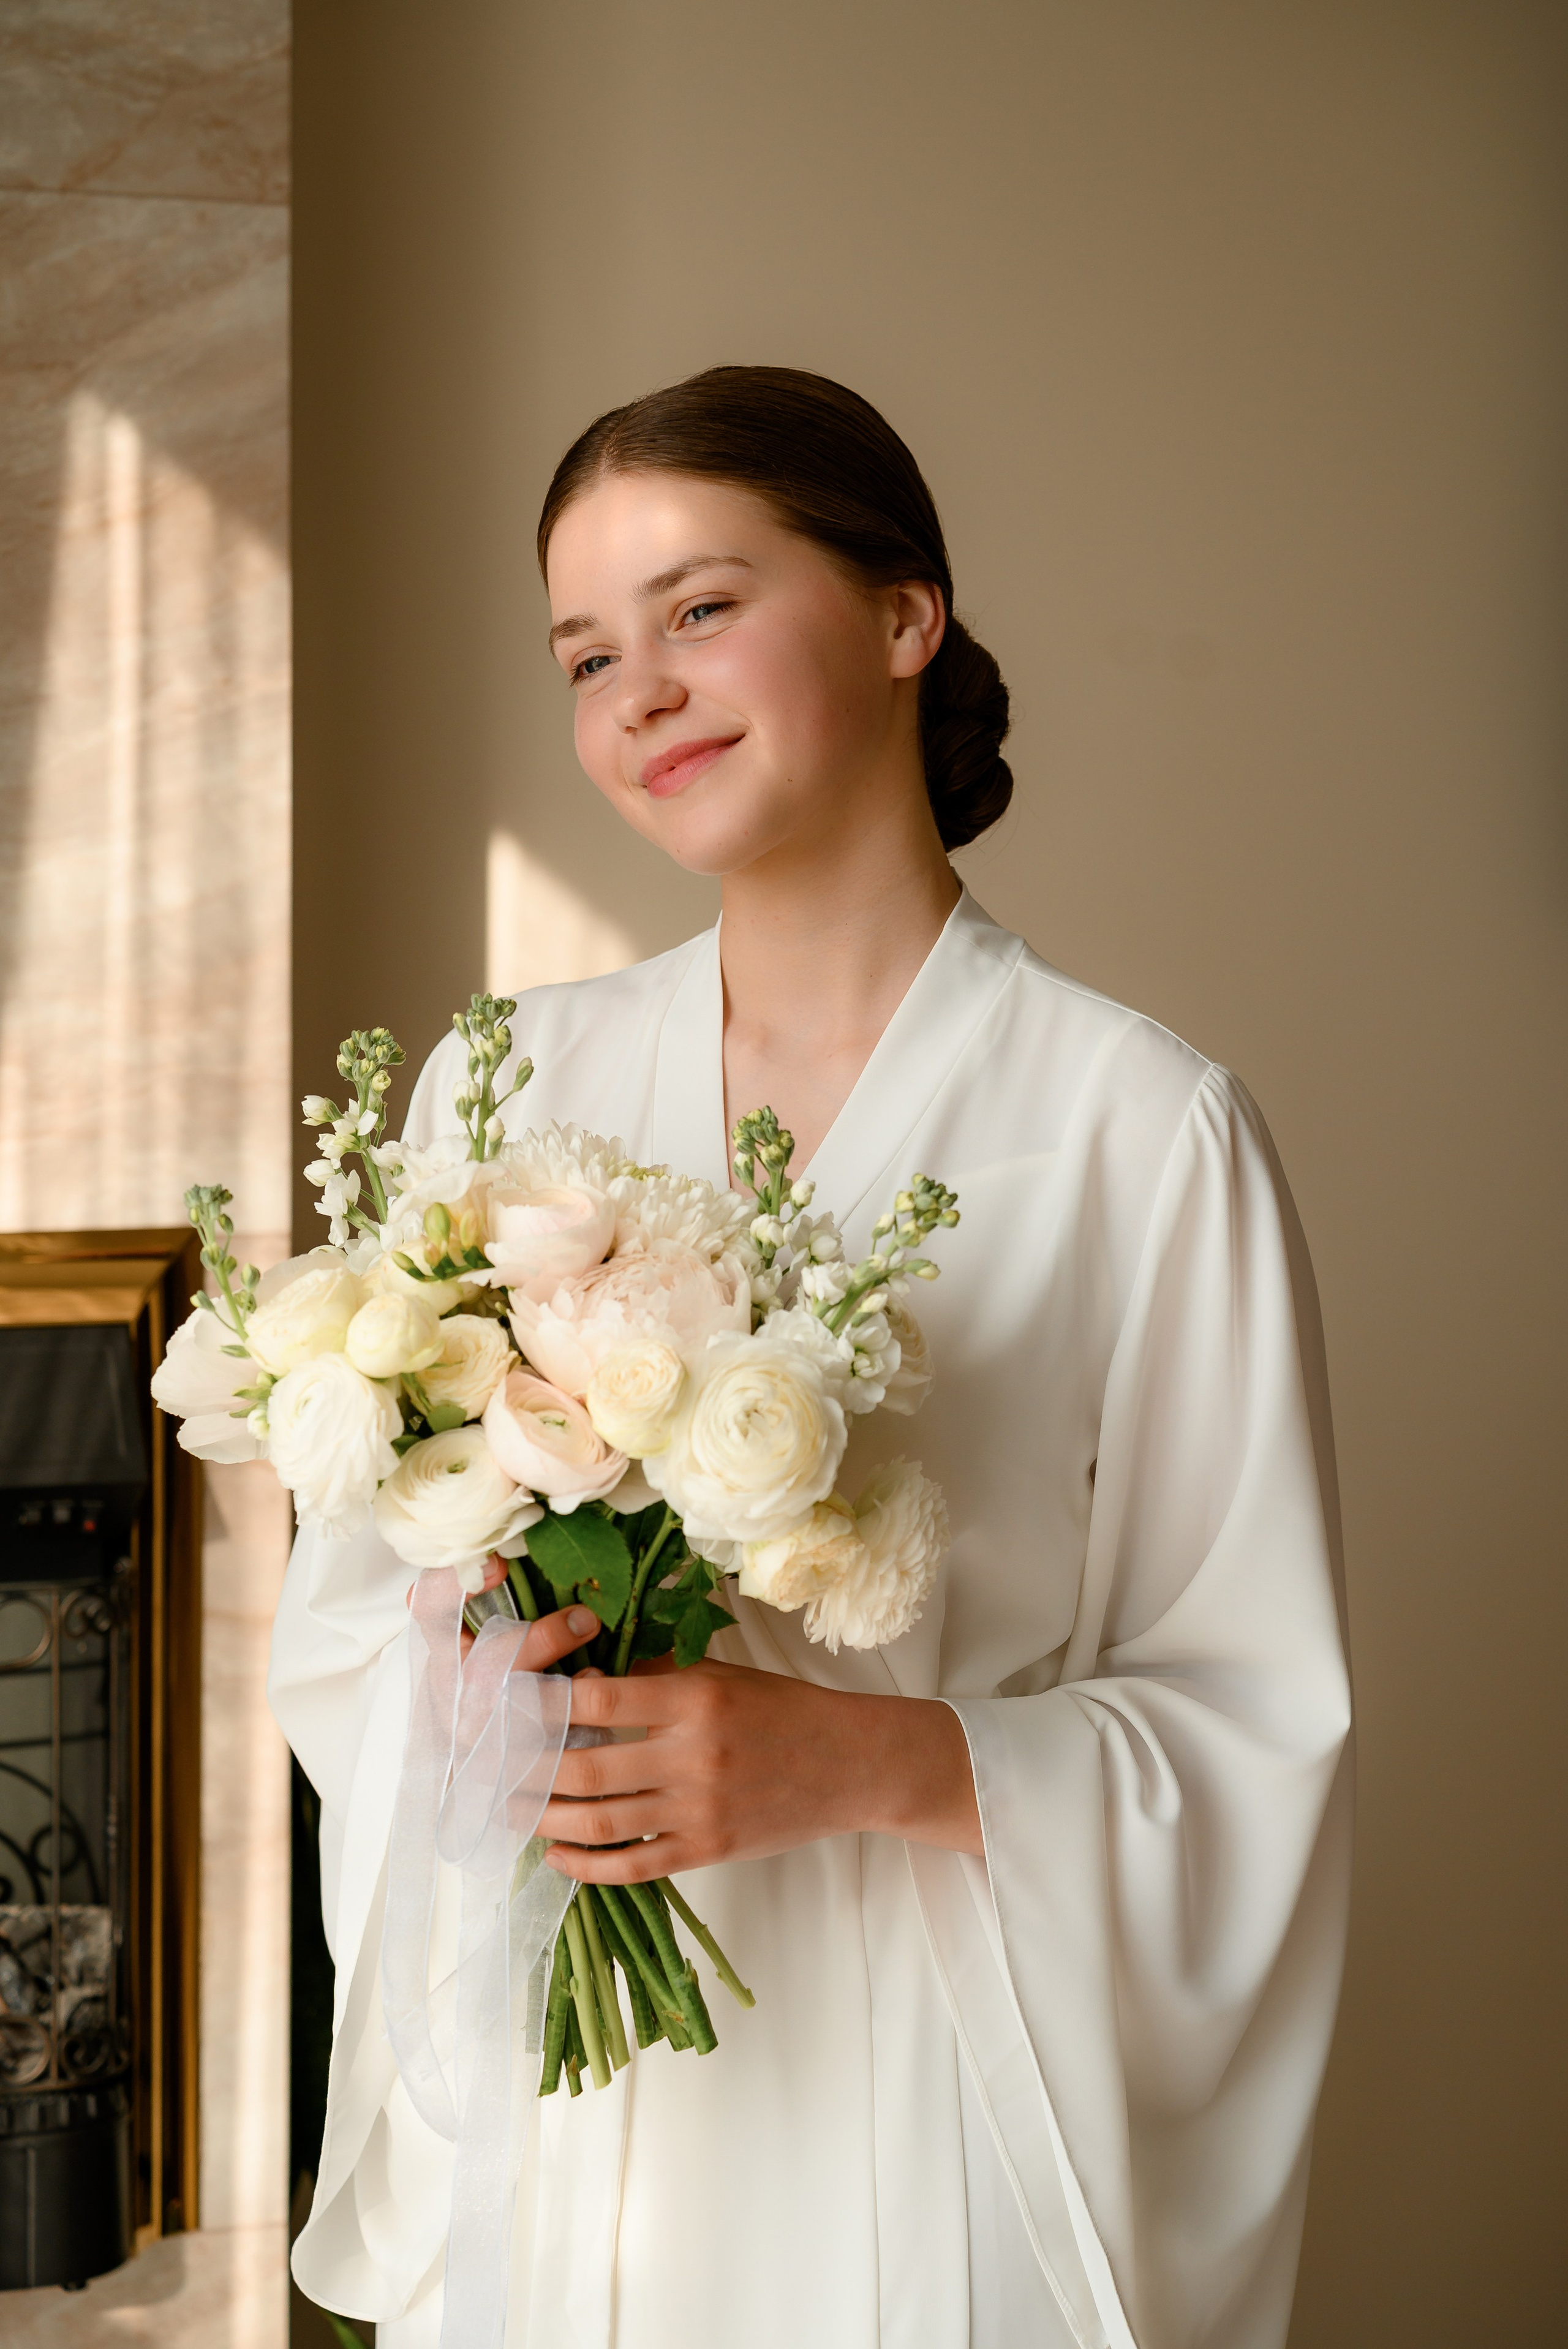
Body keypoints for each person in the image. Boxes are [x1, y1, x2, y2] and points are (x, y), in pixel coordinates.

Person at [270, 366, 1352, 2349]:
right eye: (585, 653)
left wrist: (874, 1755)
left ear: (900, 614)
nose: (636, 695)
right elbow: (346, 1624)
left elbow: (1254, 1729)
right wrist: (482, 1678)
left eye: (699, 608)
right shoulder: (504, 1083)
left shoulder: (1138, 1129)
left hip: (930, 2100)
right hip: (575, 2134)